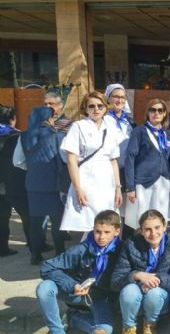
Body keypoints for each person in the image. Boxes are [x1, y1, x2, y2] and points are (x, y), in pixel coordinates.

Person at [36, 210, 122, 334]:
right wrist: (72, 285)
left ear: (117, 231)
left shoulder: (121, 251)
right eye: (98, 231)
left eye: (107, 232)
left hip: (101, 298)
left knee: (104, 331)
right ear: (93, 229)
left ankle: (73, 318)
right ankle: (57, 330)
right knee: (44, 288)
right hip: (77, 293)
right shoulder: (82, 249)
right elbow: (47, 267)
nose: (101, 237)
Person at [111, 209, 170, 334]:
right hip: (134, 300)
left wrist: (156, 279)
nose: (153, 233)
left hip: (160, 300)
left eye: (157, 227)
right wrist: (137, 275)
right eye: (148, 229)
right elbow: (115, 281)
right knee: (129, 292)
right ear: (141, 230)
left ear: (164, 226)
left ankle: (150, 326)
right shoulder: (131, 244)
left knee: (154, 294)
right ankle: (129, 328)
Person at [60, 92, 122, 233]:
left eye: (100, 106)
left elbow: (113, 161)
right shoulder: (78, 126)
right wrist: (78, 189)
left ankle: (106, 254)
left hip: (107, 182)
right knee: (89, 224)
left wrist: (118, 188)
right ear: (85, 108)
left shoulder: (111, 127)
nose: (96, 109)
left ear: (106, 107)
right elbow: (71, 160)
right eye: (91, 106)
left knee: (108, 223)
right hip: (87, 180)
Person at [124, 99, 170, 238]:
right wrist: (130, 187)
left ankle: (159, 251)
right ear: (147, 113)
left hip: (163, 182)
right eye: (152, 110)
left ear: (164, 114)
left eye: (160, 110)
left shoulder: (166, 134)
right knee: (141, 220)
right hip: (143, 182)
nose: (156, 113)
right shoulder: (139, 131)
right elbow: (130, 158)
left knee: (161, 220)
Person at [21, 107, 67, 264]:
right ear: (50, 118)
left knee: (36, 222)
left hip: (33, 184)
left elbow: (18, 161)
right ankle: (60, 252)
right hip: (53, 184)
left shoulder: (24, 136)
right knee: (57, 221)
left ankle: (35, 255)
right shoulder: (57, 136)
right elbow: (64, 161)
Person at [0, 105, 30, 257]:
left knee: (1, 218)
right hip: (15, 183)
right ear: (12, 119)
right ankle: (34, 245)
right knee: (27, 215)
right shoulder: (18, 136)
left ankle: (2, 249)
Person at [103, 83, 136, 180]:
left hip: (127, 170)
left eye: (122, 97)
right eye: (116, 96)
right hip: (108, 170)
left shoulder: (130, 121)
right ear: (108, 99)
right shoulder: (102, 119)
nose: (120, 100)